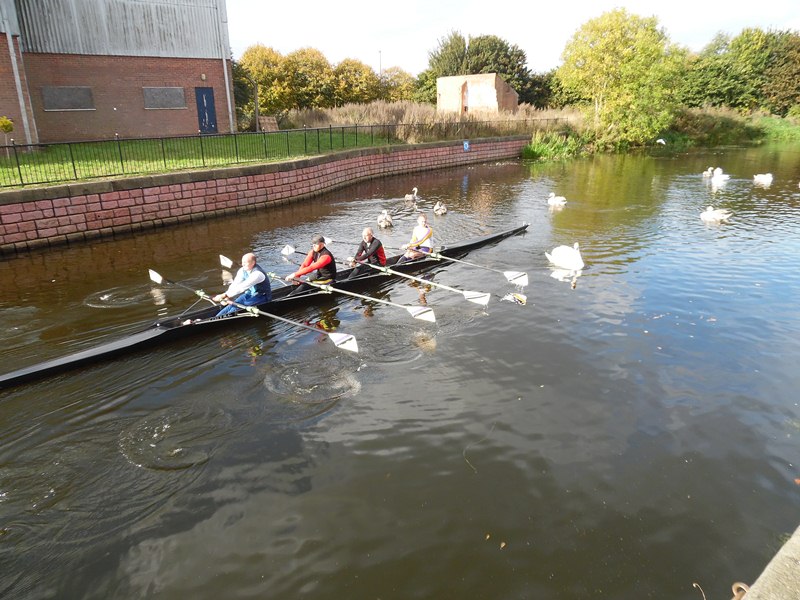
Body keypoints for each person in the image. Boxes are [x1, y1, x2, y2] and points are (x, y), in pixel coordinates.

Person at [213, 252, 271, 317]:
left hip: (262, 297)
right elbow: (235, 284)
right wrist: (226, 296)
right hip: (249, 294)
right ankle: (216, 318)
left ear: (253, 263)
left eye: (245, 262)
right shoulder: (242, 270)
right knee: (231, 305)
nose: (243, 264)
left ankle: (219, 321)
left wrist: (224, 295)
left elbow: (242, 287)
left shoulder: (257, 274)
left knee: (236, 308)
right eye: (242, 262)